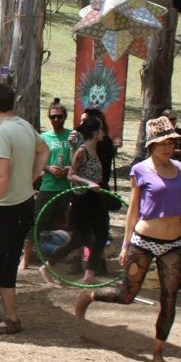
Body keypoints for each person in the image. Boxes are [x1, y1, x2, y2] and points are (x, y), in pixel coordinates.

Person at [76, 116, 181, 362]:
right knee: (126, 294)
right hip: (144, 241)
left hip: (173, 243)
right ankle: (89, 296)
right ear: (151, 146)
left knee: (169, 298)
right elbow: (133, 210)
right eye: (162, 143)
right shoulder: (140, 170)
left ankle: (158, 350)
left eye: (171, 143)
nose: (167, 147)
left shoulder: (180, 169)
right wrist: (125, 245)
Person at [0, 82, 48, 335]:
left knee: (2, 261)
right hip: (23, 203)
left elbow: (1, 176)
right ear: (13, 103)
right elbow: (44, 150)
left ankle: (12, 317)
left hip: (9, 208)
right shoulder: (24, 126)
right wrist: (31, 178)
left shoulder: (3, 132)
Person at [39, 116, 110, 285]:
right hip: (82, 200)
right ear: (95, 132)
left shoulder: (95, 150)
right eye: (101, 129)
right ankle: (47, 267)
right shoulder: (82, 151)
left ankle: (89, 274)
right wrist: (88, 183)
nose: (103, 132)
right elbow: (71, 175)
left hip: (96, 199)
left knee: (102, 234)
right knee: (78, 238)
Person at [26, 97, 72, 267]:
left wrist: (68, 169)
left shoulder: (72, 136)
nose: (56, 120)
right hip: (48, 186)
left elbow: (79, 161)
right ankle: (25, 259)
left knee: (66, 224)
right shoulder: (43, 137)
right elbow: (34, 160)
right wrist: (47, 168)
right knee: (36, 222)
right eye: (53, 117)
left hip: (67, 187)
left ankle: (65, 257)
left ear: (65, 117)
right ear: (49, 118)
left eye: (59, 116)